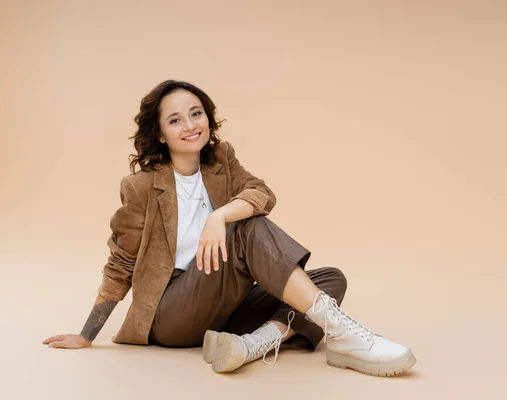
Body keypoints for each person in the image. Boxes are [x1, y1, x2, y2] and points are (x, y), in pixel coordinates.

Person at [42, 80, 417, 377]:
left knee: (330, 278)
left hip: (224, 308)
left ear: (208, 118)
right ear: (160, 134)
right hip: (171, 314)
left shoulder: (221, 159)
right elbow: (121, 265)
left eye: (196, 113)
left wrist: (217, 216)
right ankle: (345, 335)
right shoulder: (141, 187)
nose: (190, 126)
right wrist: (86, 335)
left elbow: (261, 193)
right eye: (175, 120)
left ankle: (248, 346)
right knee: (246, 229)